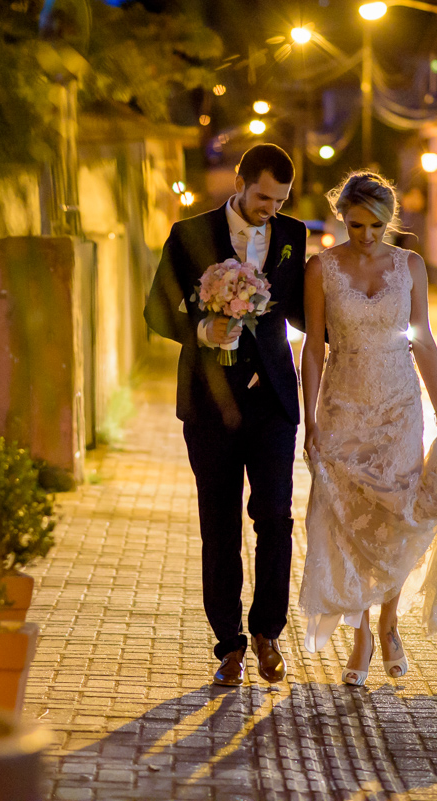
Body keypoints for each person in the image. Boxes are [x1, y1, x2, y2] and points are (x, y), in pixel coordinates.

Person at [297, 171, 437, 686]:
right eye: (356, 225)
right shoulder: (322, 268)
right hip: (343, 405)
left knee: (401, 515)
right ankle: (358, 636)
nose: (366, 235)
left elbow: (422, 340)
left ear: (388, 220)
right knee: (346, 518)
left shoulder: (411, 266)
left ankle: (389, 624)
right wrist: (309, 418)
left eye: (376, 225)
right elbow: (314, 347)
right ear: (343, 218)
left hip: (401, 406)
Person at [143, 144, 308, 686]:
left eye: (280, 201)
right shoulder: (189, 234)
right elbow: (158, 309)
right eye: (263, 197)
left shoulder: (293, 236)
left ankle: (267, 633)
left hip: (273, 403)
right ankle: (229, 645)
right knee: (219, 525)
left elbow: (303, 309)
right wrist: (200, 328)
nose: (270, 209)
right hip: (210, 404)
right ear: (240, 182)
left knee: (276, 519)